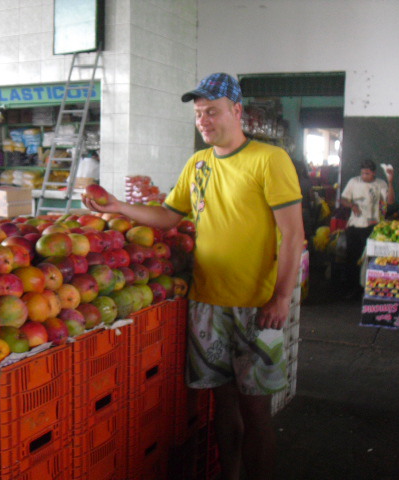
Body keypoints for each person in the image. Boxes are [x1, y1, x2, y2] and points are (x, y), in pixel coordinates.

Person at [82, 73, 304, 480]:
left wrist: (282, 297)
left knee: (256, 412)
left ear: (236, 111)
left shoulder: (269, 160)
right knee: (223, 406)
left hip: (257, 305)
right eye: (199, 113)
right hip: (207, 303)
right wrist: (117, 207)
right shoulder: (197, 164)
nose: (203, 120)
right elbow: (169, 216)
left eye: (212, 111)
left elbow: (293, 234)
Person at [340, 159, 395, 299]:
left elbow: (390, 201)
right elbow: (344, 199)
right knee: (352, 259)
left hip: (372, 227)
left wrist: (390, 182)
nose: (364, 176)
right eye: (363, 173)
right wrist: (352, 205)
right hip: (354, 226)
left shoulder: (380, 184)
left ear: (374, 173)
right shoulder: (353, 182)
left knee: (369, 259)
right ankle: (353, 289)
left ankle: (369, 290)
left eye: (367, 174)